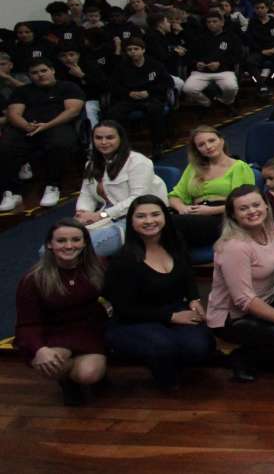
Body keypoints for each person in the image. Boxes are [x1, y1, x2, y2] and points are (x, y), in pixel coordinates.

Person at [103, 195, 214, 389]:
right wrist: (171, 317)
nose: (149, 221)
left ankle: (174, 363)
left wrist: (194, 299)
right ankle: (163, 372)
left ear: (165, 216)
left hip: (174, 308)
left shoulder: (176, 242)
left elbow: (187, 274)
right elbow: (124, 308)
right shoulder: (123, 260)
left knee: (200, 346)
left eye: (155, 214)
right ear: (131, 221)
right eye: (141, 216)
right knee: (164, 346)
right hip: (135, 318)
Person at [206, 186, 274, 381]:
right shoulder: (234, 246)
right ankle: (240, 356)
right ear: (233, 215)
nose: (252, 211)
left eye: (256, 205)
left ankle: (263, 345)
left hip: (266, 302)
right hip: (234, 318)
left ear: (266, 206)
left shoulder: (272, 229)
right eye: (243, 208)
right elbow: (244, 300)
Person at [16, 220, 108, 405]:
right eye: (61, 240)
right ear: (50, 244)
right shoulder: (33, 279)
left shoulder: (99, 267)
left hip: (89, 331)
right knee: (50, 363)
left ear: (84, 243)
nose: (69, 246)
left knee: (88, 373)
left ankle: (89, 377)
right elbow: (26, 324)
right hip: (54, 334)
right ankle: (67, 382)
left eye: (75, 239)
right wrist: (39, 349)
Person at [0, 59, 85, 211]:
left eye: (43, 71)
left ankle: (53, 186)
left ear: (52, 70)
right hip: (28, 127)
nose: (39, 75)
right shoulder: (22, 91)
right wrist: (27, 126)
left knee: (61, 143)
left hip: (57, 125)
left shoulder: (68, 87)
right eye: (34, 73)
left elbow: (73, 110)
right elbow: (13, 113)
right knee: (6, 146)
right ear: (30, 76)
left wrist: (47, 125)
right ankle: (12, 192)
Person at [74, 122, 168, 257]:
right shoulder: (91, 164)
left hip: (136, 217)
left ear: (120, 139)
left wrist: (100, 215)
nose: (104, 142)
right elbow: (86, 194)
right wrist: (82, 213)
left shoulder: (138, 162)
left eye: (110, 137)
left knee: (83, 250)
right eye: (98, 138)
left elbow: (138, 200)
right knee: (57, 244)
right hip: (106, 216)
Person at [169, 126, 256, 250]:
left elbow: (244, 203)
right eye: (201, 145)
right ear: (197, 150)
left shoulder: (239, 167)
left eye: (211, 141)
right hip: (193, 215)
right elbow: (174, 196)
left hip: (224, 217)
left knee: (169, 224)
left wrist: (209, 210)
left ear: (221, 141)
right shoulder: (193, 168)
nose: (208, 147)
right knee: (166, 225)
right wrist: (182, 208)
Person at [107, 38, 173, 156]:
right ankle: (120, 147)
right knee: (113, 113)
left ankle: (158, 144)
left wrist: (149, 92)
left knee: (156, 110)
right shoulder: (122, 67)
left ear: (143, 50)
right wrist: (128, 93)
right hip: (129, 98)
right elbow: (114, 86)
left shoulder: (155, 65)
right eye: (129, 49)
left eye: (136, 49)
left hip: (150, 97)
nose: (133, 52)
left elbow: (167, 83)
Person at [181, 12, 242, 107]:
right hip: (201, 72)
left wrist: (220, 63)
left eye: (214, 21)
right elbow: (189, 56)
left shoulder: (232, 37)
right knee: (188, 89)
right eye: (209, 22)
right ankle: (207, 103)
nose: (211, 24)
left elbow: (238, 56)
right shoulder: (199, 38)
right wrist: (196, 63)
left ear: (222, 23)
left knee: (231, 87)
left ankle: (225, 101)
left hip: (224, 70)